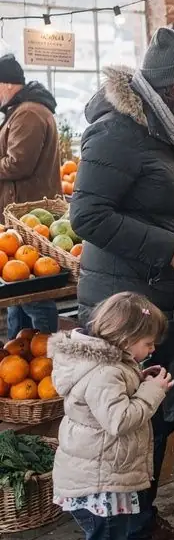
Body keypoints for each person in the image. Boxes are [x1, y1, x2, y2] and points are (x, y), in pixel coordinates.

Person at [70, 27, 174, 540]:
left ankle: (143, 520)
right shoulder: (118, 134)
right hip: (121, 305)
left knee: (156, 415)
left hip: (153, 295)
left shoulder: (162, 132)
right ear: (166, 86)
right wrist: (168, 246)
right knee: (127, 426)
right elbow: (87, 218)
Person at [50, 292, 174, 540]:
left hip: (98, 476)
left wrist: (139, 380)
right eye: (147, 343)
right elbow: (119, 420)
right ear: (123, 338)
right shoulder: (104, 372)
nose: (151, 349)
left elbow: (112, 399)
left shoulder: (104, 364)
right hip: (99, 483)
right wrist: (153, 392)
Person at [0, 54, 61, 341]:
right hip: (25, 216)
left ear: (6, 85)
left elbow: (18, 164)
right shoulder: (26, 110)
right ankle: (18, 348)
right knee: (21, 292)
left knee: (34, 295)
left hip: (28, 216)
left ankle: (47, 352)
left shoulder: (28, 113)